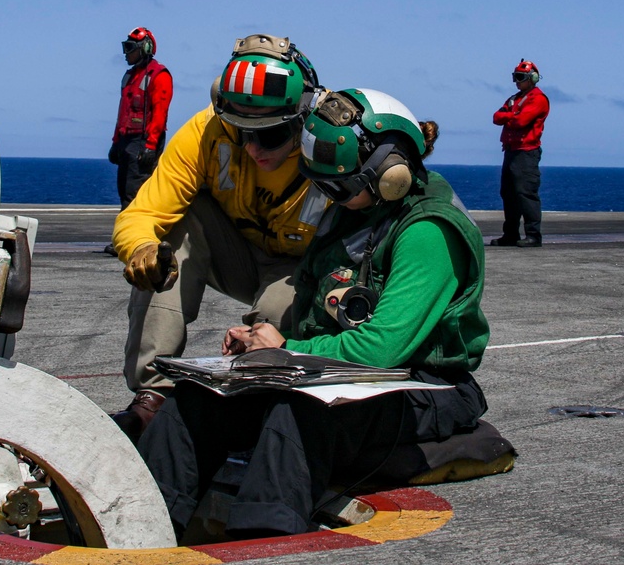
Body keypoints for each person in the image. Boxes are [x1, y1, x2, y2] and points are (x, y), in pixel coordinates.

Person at [139, 89, 491, 540]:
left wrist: (287, 350)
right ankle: (145, 525)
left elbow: (381, 348)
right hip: (338, 375)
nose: (328, 194)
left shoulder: (428, 231)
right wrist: (261, 349)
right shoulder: (351, 212)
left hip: (424, 383)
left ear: (390, 176)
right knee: (197, 399)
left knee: (298, 412)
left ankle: (262, 540)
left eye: (338, 186)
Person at [110, 34, 329, 442]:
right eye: (240, 131)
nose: (252, 148)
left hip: (306, 270)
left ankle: (257, 405)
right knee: (169, 232)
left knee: (278, 312)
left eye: (270, 135)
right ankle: (152, 398)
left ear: (302, 117)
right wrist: (140, 247)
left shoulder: (334, 138)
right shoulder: (207, 130)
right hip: (241, 255)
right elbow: (141, 213)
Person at [106, 27, 173, 255]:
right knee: (124, 189)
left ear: (144, 49)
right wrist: (116, 143)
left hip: (143, 141)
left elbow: (159, 113)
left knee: (136, 191)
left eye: (130, 49)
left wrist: (151, 146)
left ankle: (134, 242)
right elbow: (122, 112)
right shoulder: (130, 76)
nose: (125, 53)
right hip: (127, 139)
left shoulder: (159, 75)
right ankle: (124, 239)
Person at [491, 59, 549, 248]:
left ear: (531, 78)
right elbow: (496, 117)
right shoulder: (515, 99)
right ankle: (510, 234)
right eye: (515, 77)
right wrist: (512, 116)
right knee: (508, 193)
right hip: (511, 152)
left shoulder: (538, 99)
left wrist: (510, 116)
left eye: (520, 77)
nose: (517, 81)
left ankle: (534, 235)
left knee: (526, 193)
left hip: (526, 153)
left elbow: (521, 121)